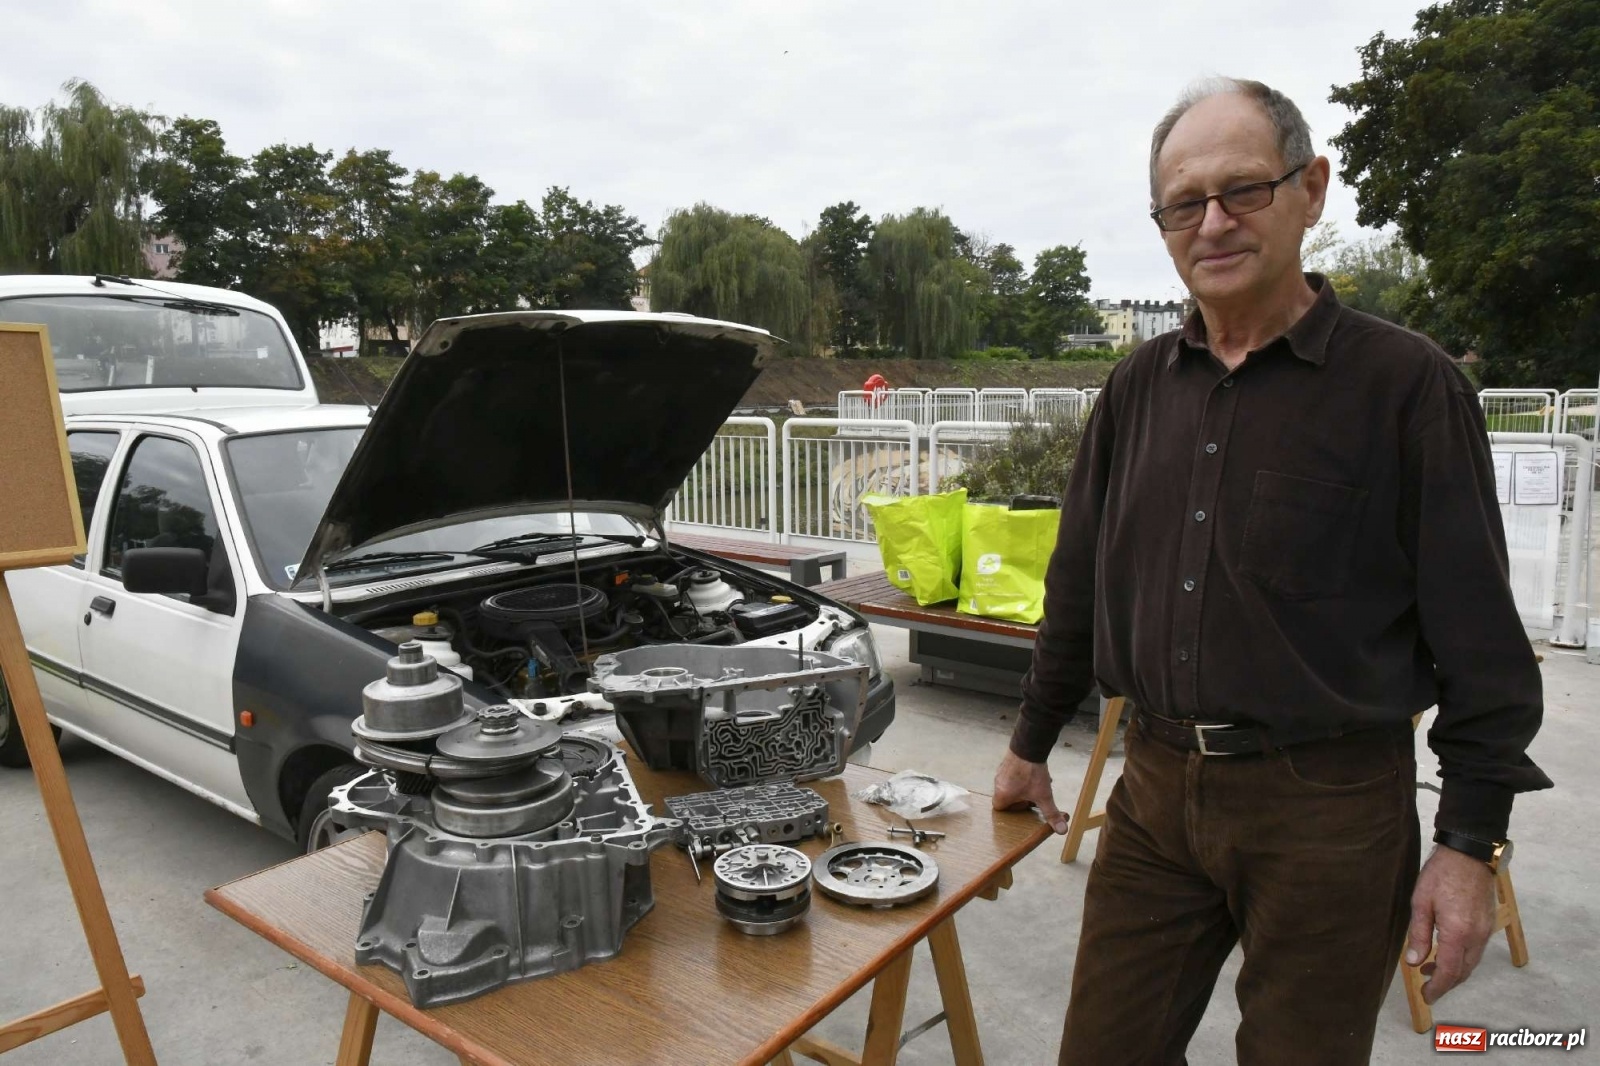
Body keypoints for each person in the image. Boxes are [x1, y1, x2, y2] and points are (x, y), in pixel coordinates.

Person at [992, 77, 1550, 1065]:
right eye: (1182, 203)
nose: (1211, 222)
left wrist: (1468, 845)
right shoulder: (1133, 389)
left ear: (1311, 188)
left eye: (1242, 190)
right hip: (1154, 793)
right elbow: (1076, 581)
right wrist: (1031, 737)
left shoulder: (1406, 387)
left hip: (1328, 811)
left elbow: (1483, 650)